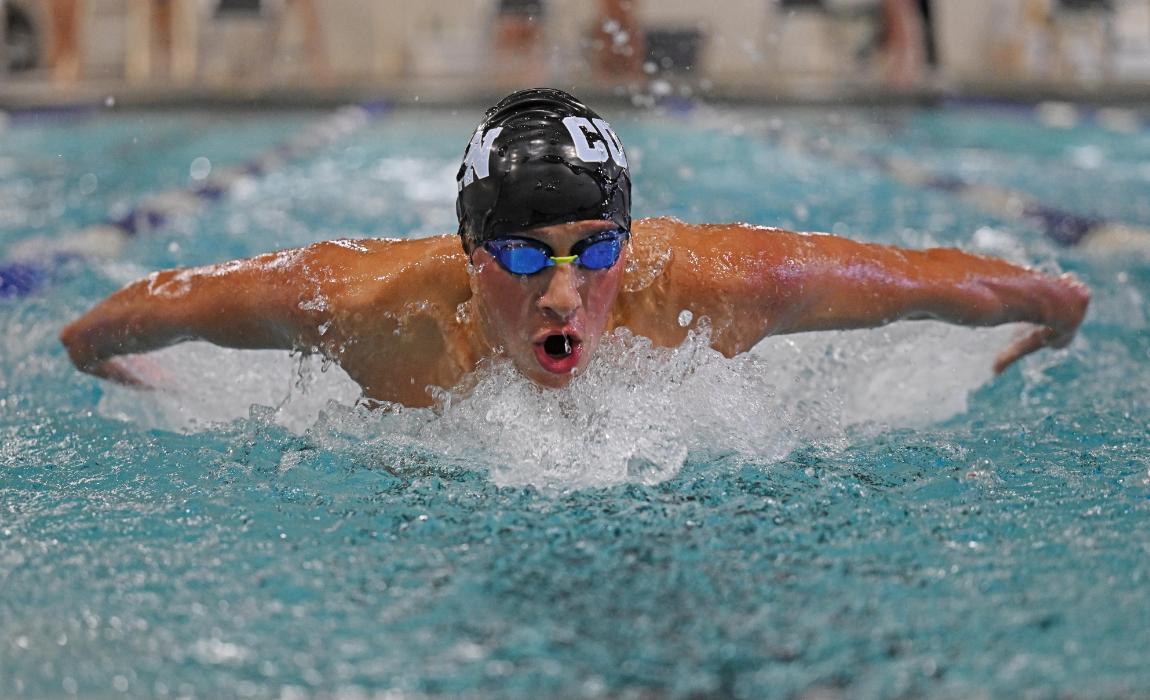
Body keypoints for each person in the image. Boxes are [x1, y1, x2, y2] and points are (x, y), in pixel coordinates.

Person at [60, 88, 1090, 408]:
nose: (562, 293)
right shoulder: (360, 305)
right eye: (520, 257)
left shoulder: (723, 288)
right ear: (468, 254)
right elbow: (131, 313)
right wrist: (119, 362)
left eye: (593, 252)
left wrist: (1040, 311)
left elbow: (928, 282)